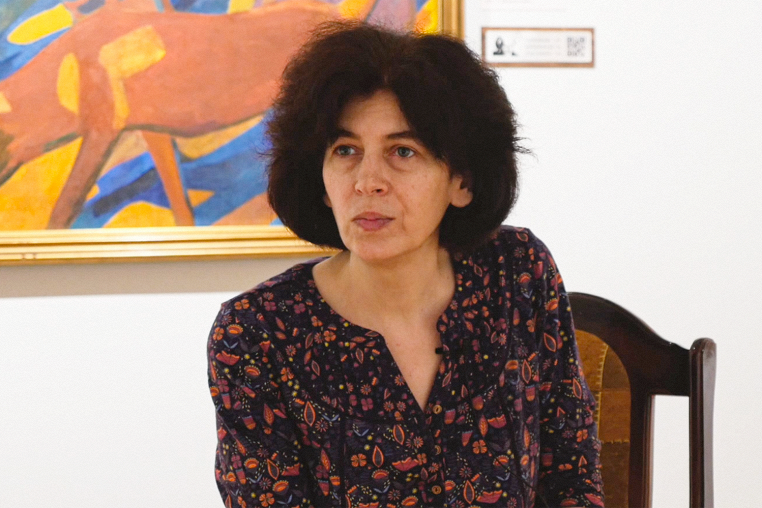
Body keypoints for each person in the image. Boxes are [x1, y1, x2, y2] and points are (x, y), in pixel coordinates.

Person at [207, 21, 604, 508]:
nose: (367, 181)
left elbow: (572, 479)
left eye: (402, 151)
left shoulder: (516, 273)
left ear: (461, 181)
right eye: (346, 150)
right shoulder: (257, 332)